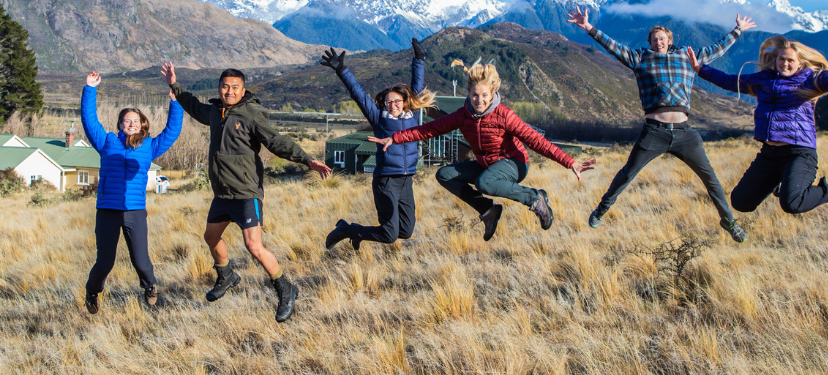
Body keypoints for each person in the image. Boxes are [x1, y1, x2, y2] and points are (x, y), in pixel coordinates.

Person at [161, 62, 331, 323]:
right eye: (225, 87)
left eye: (235, 88)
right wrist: (174, 84)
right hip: (222, 193)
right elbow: (193, 106)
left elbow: (277, 141)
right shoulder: (216, 112)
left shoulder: (251, 114)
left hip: (245, 191)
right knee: (210, 237)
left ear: (243, 91)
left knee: (254, 246)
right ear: (219, 88)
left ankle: (286, 288)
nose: (229, 91)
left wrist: (307, 160)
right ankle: (226, 274)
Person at [566, 6, 754, 242]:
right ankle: (602, 208)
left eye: (662, 39)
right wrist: (589, 27)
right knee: (627, 174)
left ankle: (729, 221)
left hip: (685, 133)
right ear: (650, 42)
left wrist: (737, 30)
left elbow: (716, 50)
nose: (658, 43)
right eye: (654, 40)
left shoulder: (687, 57)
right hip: (654, 132)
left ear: (670, 41)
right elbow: (613, 46)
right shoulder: (640, 58)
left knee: (711, 179)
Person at [369, 59, 597, 240]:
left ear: (492, 94)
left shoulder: (504, 115)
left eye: (484, 95)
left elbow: (536, 140)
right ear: (469, 93)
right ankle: (487, 209)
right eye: (475, 95)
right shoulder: (463, 115)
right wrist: (396, 138)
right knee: (445, 174)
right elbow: (430, 130)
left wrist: (570, 162)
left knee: (485, 182)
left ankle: (534, 198)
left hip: (513, 163)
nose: (479, 100)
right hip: (486, 165)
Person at [686, 36, 828, 218]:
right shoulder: (762, 79)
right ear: (775, 59)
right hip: (769, 154)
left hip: (799, 152)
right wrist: (700, 69)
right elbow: (730, 81)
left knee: (792, 204)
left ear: (800, 63)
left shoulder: (810, 80)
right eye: (782, 59)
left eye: (790, 60)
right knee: (741, 202)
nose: (785, 64)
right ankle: (782, 181)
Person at [80, 70, 183, 314]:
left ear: (143, 125)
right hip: (107, 209)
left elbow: (172, 131)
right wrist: (90, 89)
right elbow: (88, 119)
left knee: (141, 261)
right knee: (105, 262)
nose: (132, 124)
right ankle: (92, 292)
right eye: (127, 120)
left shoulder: (150, 145)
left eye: (136, 121)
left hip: (135, 210)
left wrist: (175, 102)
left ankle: (149, 286)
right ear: (120, 124)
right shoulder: (106, 141)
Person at [322, 39, 436, 250]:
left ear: (404, 101)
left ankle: (357, 232)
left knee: (406, 231)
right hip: (386, 181)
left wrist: (419, 59)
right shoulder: (379, 118)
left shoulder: (413, 116)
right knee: (389, 234)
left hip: (406, 180)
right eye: (389, 102)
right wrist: (341, 70)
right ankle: (347, 230)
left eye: (397, 101)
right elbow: (358, 94)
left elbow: (417, 87)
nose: (393, 105)